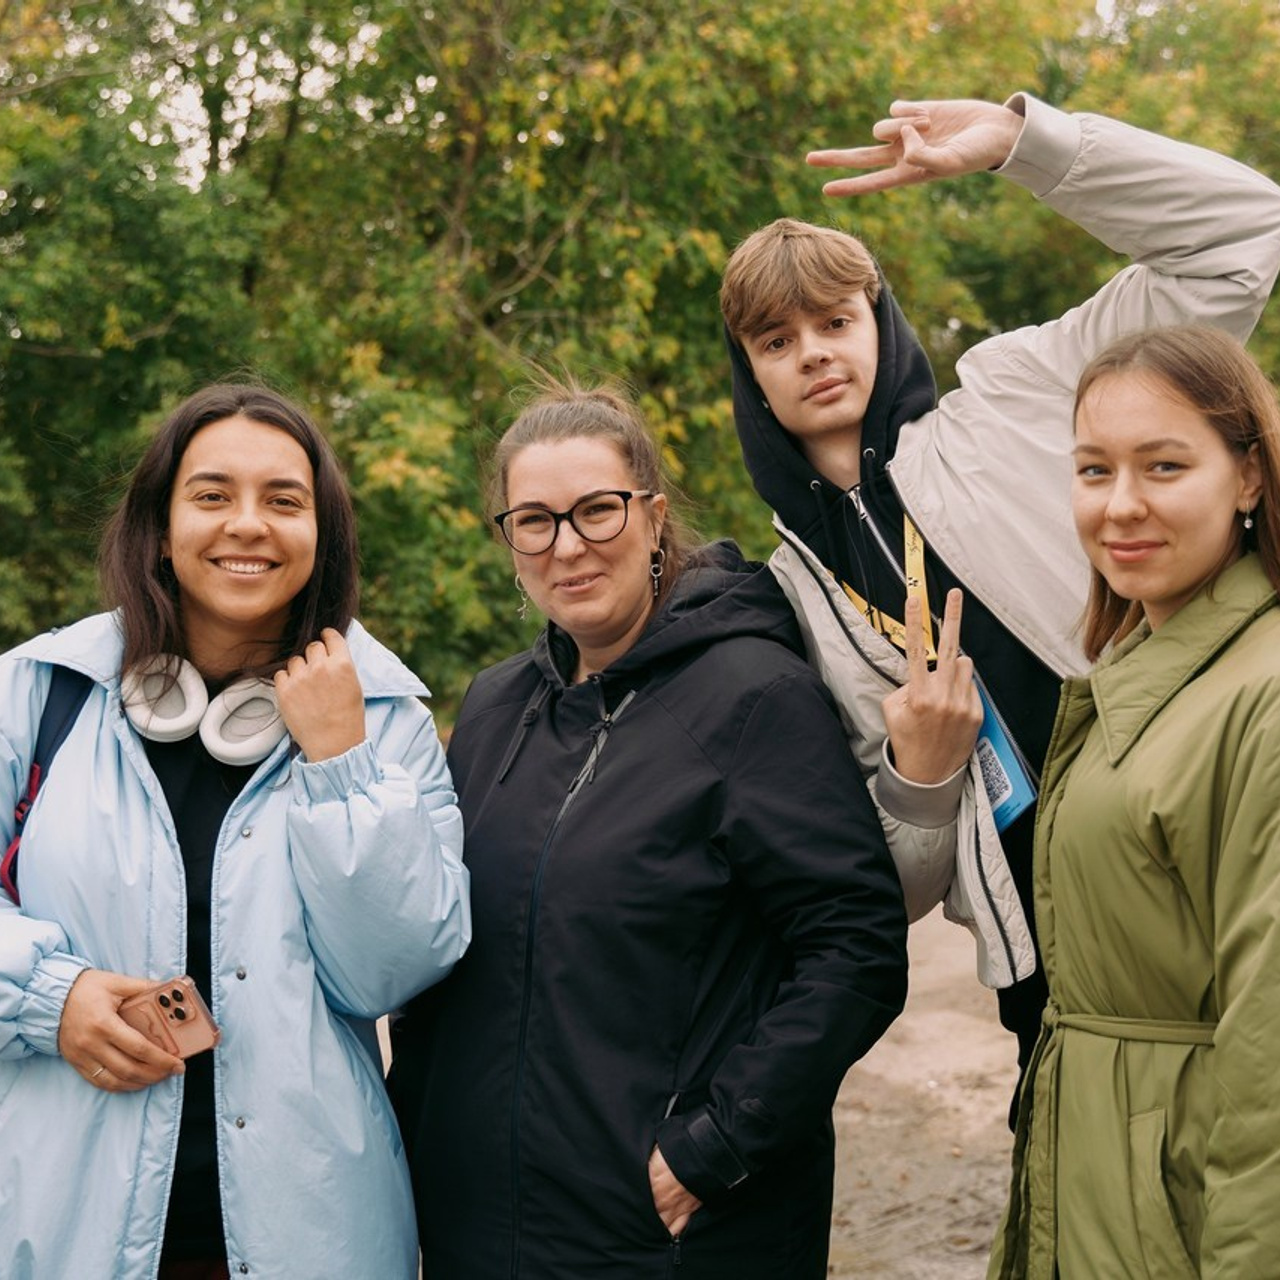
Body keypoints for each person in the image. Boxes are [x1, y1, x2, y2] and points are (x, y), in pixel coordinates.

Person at [719, 93, 1280, 1081]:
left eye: (834, 319)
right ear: (750, 378)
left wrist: (1026, 145)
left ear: (878, 324)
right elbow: (879, 883)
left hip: (1202, 869)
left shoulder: (1021, 389)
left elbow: (1245, 233)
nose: (811, 350)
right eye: (775, 339)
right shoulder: (787, 597)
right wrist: (920, 776)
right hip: (1051, 966)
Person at [387, 374, 908, 1278]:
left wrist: (710, 1149)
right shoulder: (495, 706)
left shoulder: (755, 695)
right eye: (534, 521)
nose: (568, 546)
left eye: (598, 510)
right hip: (481, 1232)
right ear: (509, 541)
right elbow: (449, 966)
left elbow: (855, 950)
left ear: (654, 515)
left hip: (666, 1237)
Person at [0, 384, 471, 1279]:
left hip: (313, 1233)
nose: (247, 525)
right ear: (160, 524)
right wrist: (47, 998)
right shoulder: (39, 693)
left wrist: (342, 767)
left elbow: (393, 974)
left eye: (283, 501)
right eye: (212, 495)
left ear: (320, 533)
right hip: (60, 1225)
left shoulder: (385, 721)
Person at [988, 323, 1280, 1275]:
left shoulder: (1261, 693)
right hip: (1098, 1196)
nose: (1121, 506)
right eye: (1092, 470)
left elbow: (1269, 1051)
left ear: (1248, 476)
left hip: (1184, 1218)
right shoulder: (1135, 672)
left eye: (1163, 466)